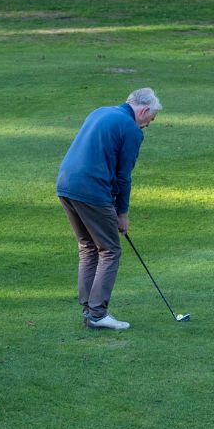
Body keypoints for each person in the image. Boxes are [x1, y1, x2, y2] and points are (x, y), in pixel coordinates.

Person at [57, 88, 161, 330]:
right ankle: (97, 314)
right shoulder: (131, 129)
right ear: (144, 111)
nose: (147, 125)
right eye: (150, 119)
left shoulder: (100, 112)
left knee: (88, 246)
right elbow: (123, 176)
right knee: (110, 250)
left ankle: (89, 307)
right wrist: (122, 213)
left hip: (65, 184)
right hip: (91, 189)